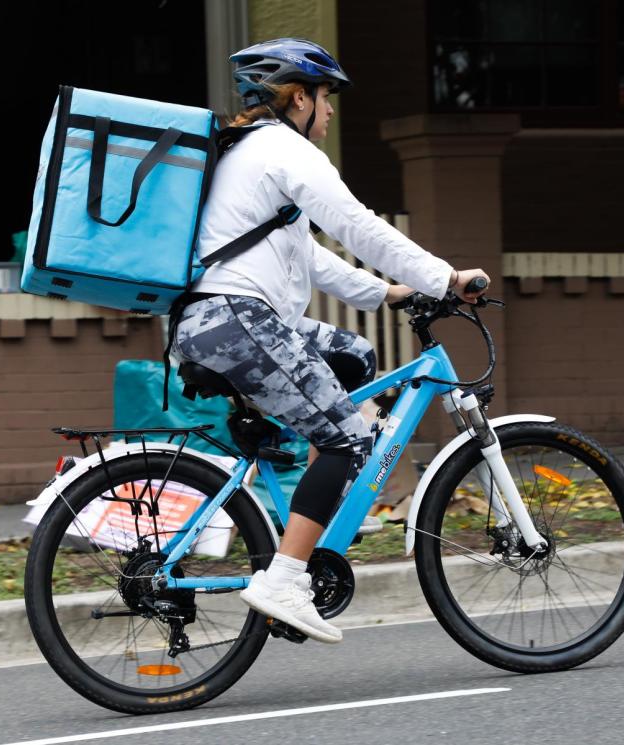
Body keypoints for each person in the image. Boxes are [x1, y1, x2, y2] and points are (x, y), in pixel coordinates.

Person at [174, 38, 489, 643]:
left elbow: (309, 257)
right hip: (238, 319)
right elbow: (357, 224)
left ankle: (310, 529)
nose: (331, 110)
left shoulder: (250, 153)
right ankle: (285, 577)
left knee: (355, 357)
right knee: (348, 434)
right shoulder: (284, 150)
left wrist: (386, 293)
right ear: (298, 98)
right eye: (326, 97)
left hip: (220, 320)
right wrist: (443, 278)